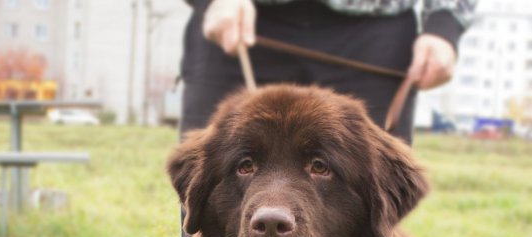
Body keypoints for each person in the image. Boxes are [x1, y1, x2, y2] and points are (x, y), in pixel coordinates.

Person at [180, 0, 477, 144]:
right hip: (238, 20)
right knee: (211, 215)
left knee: (371, 223)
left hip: (376, 33)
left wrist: (444, 23)